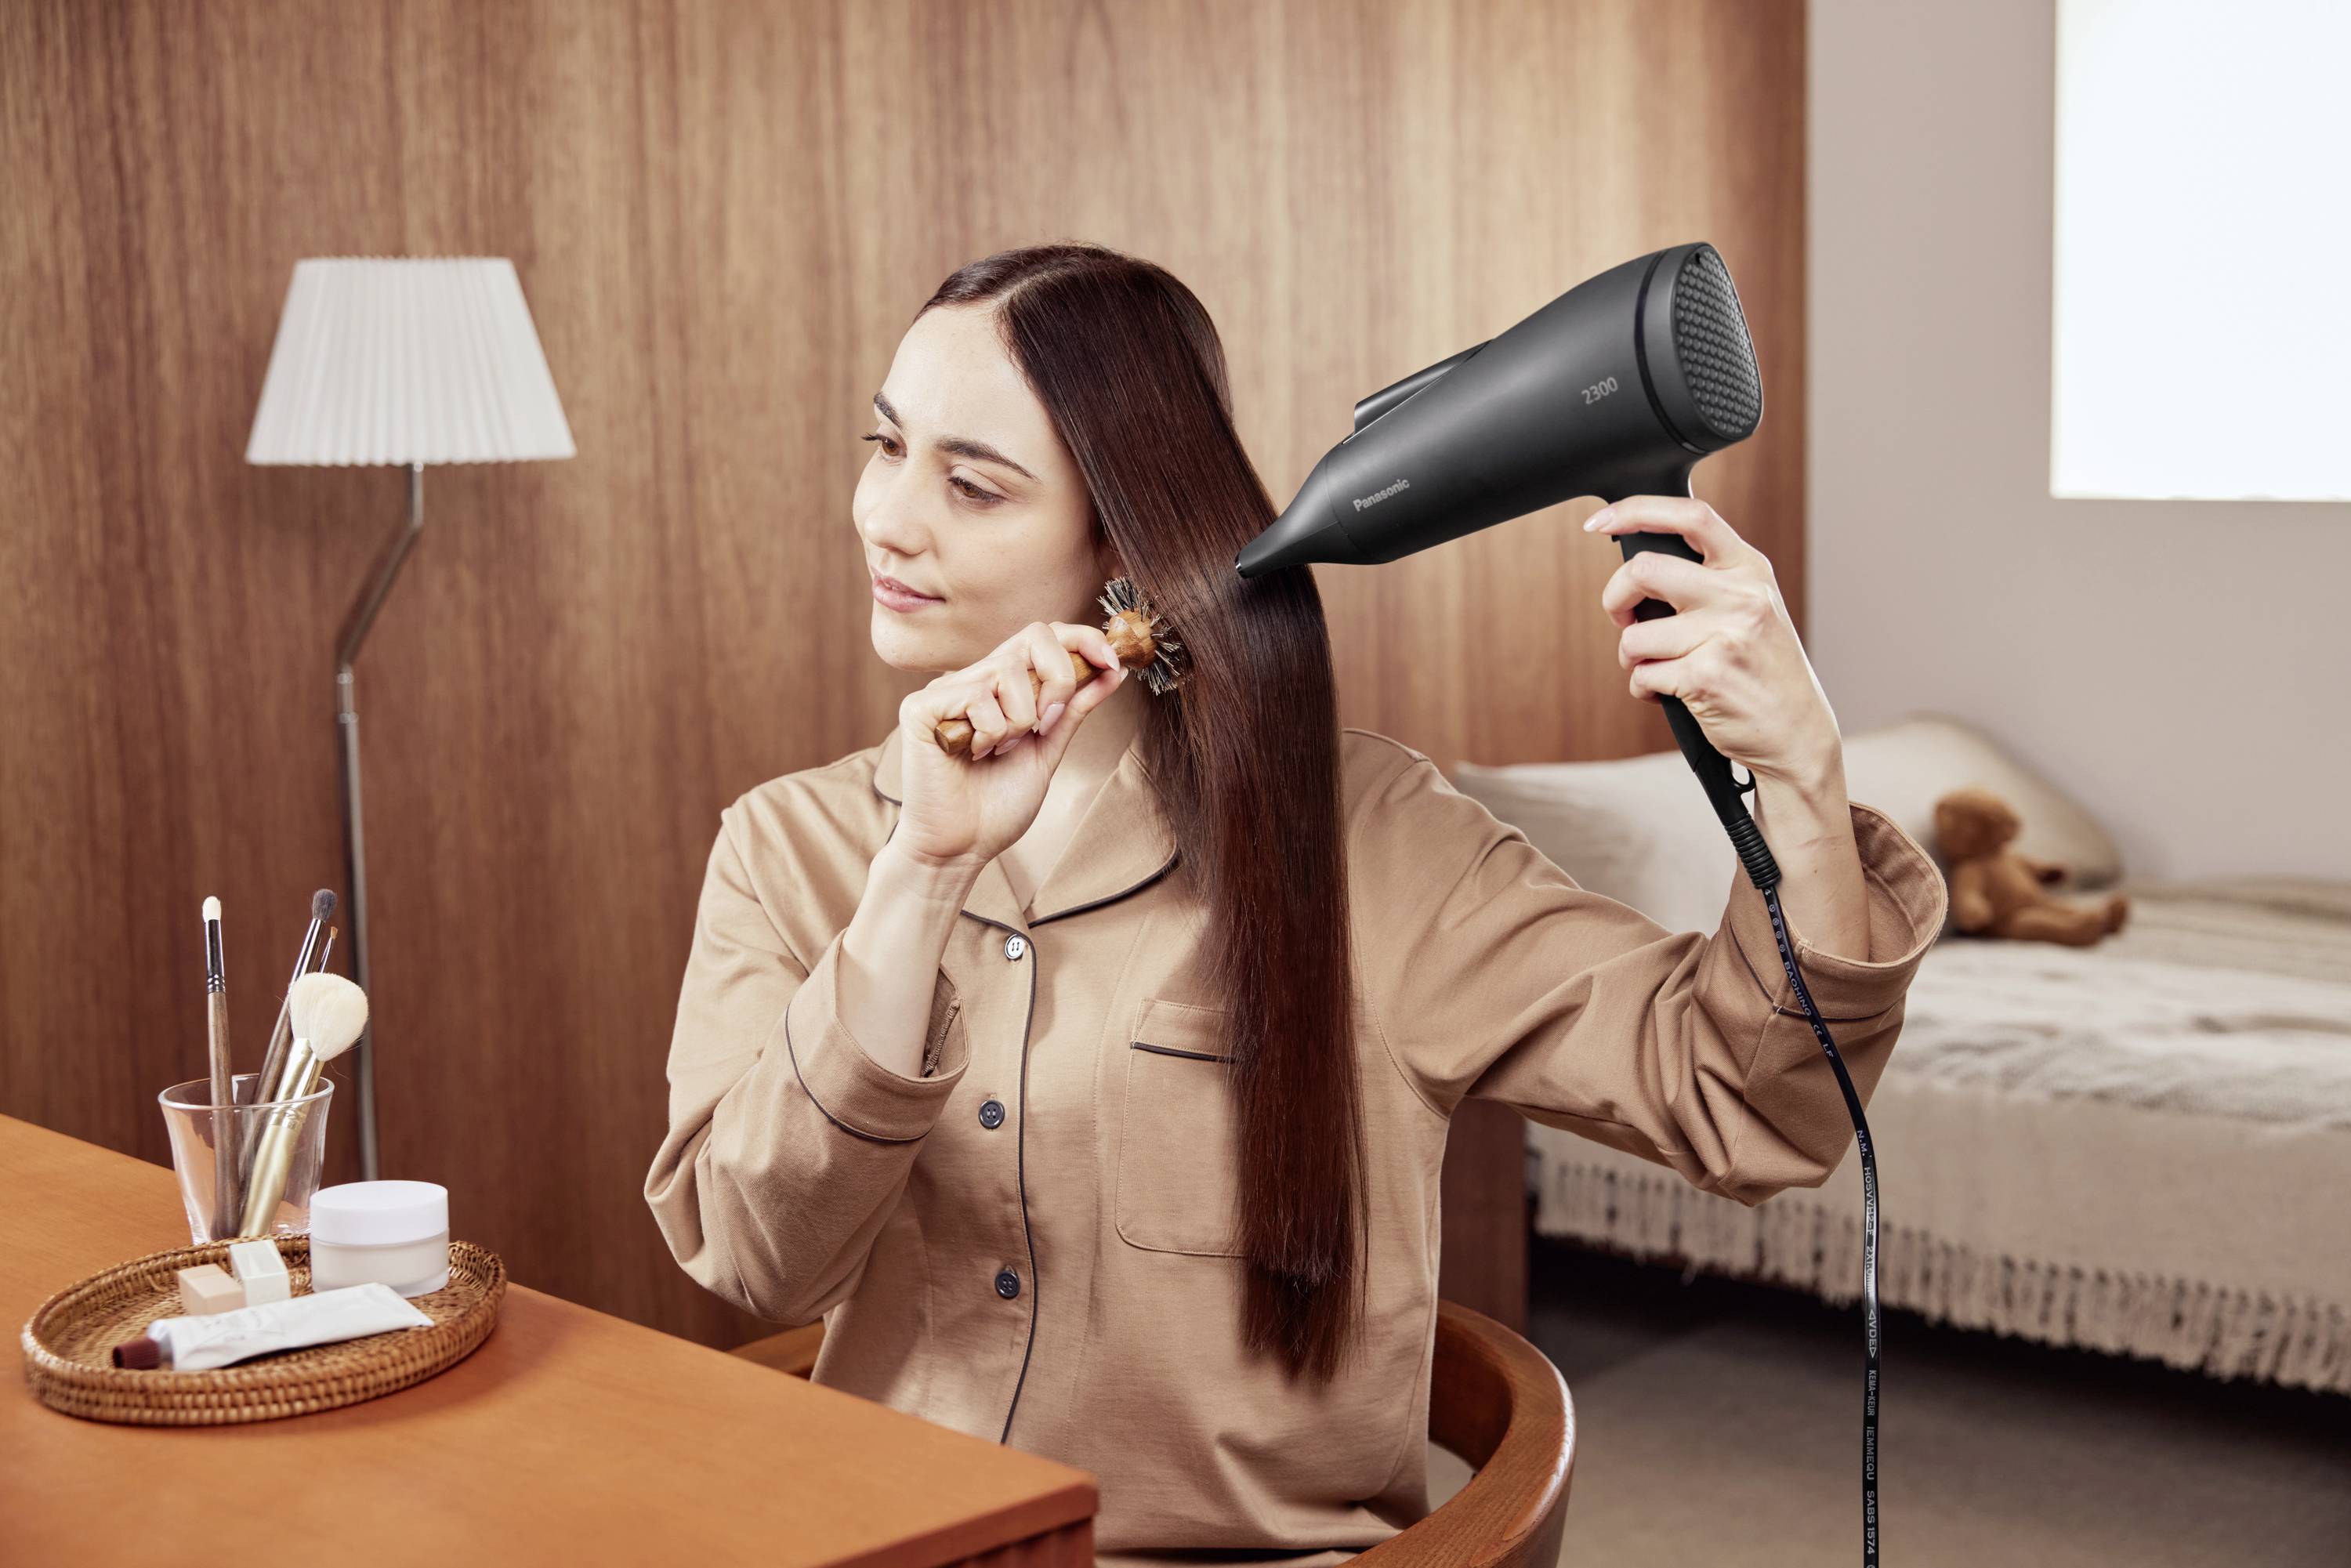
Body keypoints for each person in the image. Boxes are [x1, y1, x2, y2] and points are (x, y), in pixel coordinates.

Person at [645, 242, 1947, 1565]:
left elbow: (1753, 1094)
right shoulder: (789, 848)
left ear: (1123, 533)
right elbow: (751, 1257)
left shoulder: (1369, 845)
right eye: (886, 445)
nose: (888, 515)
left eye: (973, 483)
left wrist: (1800, 770)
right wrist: (920, 877)